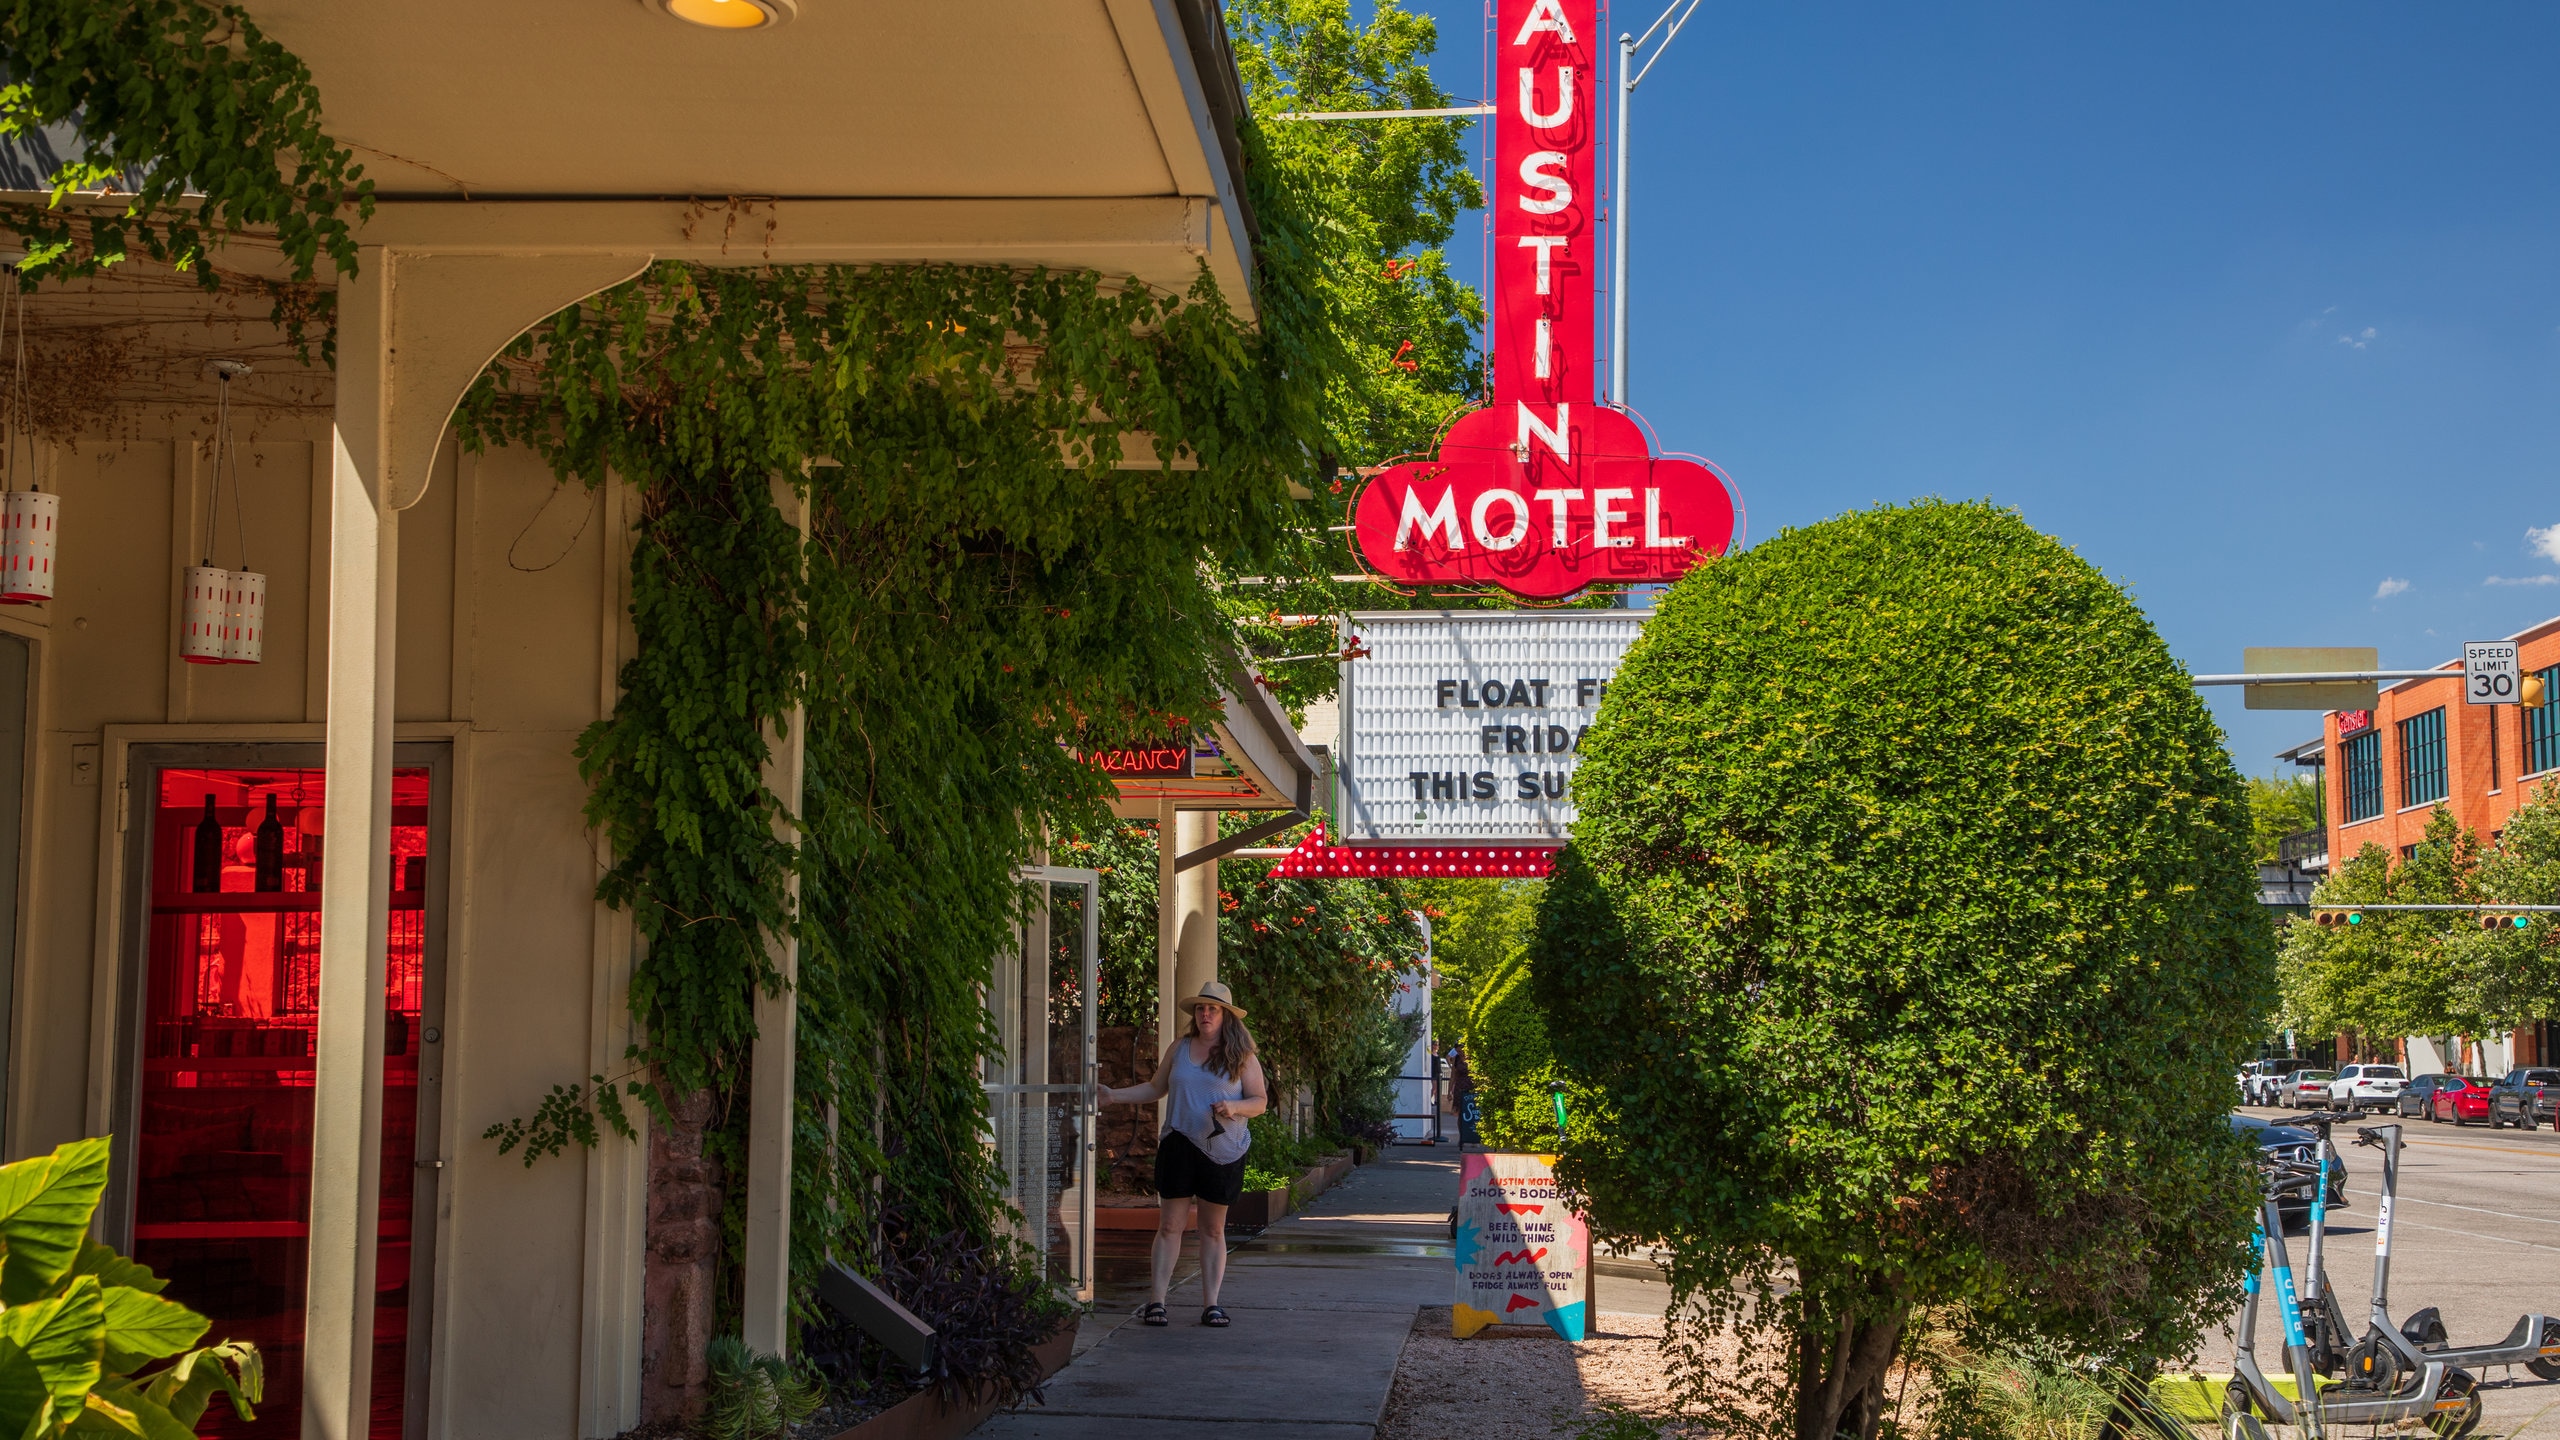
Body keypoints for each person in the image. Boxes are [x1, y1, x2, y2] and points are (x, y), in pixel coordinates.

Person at [1097, 980, 1268, 1328]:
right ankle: (1156, 1302)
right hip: (1178, 1144)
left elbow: (1260, 1102)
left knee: (1213, 1230)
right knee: (1170, 1225)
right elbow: (1156, 1088)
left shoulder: (1242, 1057)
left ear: (1226, 1016)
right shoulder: (1180, 1047)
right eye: (1201, 1009)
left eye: (1213, 1009)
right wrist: (1113, 1095)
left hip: (1222, 1150)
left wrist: (1234, 1107)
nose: (1205, 1014)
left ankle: (1211, 1305)